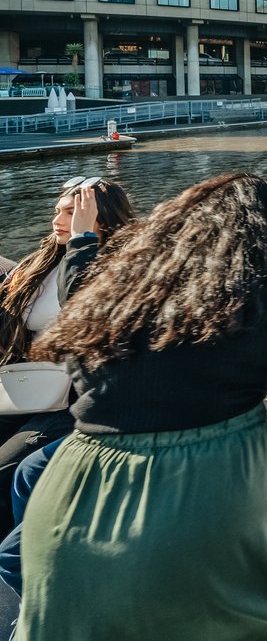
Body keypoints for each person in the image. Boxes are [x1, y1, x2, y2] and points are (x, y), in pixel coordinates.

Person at [18, 173, 267, 641]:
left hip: (83, 484)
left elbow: (78, 282)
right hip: (210, 487)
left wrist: (84, 236)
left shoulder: (120, 276)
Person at [0, 176, 134, 532]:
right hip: (26, 388)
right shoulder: (38, 266)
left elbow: (84, 312)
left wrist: (81, 241)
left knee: (6, 467)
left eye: (72, 212)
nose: (58, 220)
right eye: (58, 211)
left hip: (76, 398)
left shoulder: (118, 269)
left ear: (100, 219)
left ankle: (19, 559)